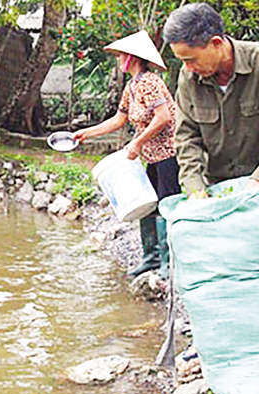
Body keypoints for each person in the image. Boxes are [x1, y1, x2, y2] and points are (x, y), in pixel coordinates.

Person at [162, 3, 259, 199]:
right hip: (217, 187)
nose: (187, 68)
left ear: (216, 43)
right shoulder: (189, 77)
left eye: (191, 59)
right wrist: (194, 186)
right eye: (182, 61)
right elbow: (187, 137)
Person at [73, 31, 181, 279]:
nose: (119, 59)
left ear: (132, 57)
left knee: (166, 205)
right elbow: (119, 119)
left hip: (168, 153)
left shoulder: (151, 82)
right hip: (151, 155)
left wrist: (138, 142)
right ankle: (151, 258)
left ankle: (167, 263)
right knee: (148, 204)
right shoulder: (132, 86)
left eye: (122, 55)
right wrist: (87, 133)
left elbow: (163, 118)